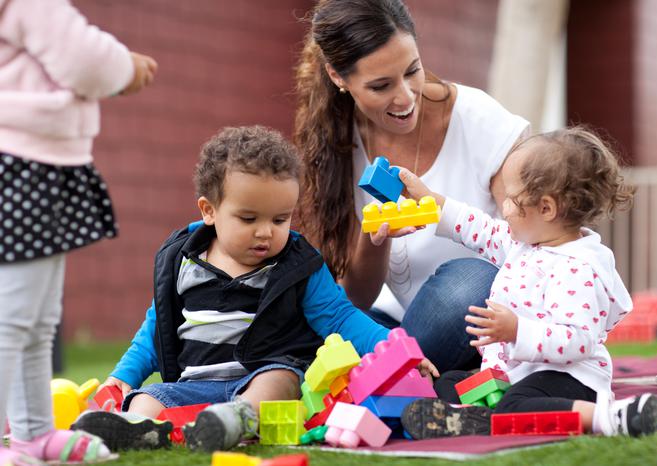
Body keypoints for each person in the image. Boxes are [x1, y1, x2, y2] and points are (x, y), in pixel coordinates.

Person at [72, 126, 438, 452]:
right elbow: (155, 330)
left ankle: (238, 419)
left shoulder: (297, 265)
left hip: (261, 377)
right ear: (209, 211)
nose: (266, 232)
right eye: (249, 219)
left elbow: (340, 318)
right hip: (193, 384)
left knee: (279, 380)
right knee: (147, 399)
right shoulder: (181, 262)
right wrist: (122, 377)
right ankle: (144, 429)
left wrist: (396, 352)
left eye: (281, 219)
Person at [293, 0, 530, 374]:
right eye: (381, 85)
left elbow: (532, 249)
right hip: (394, 322)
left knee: (470, 281)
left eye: (412, 71)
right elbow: (357, 296)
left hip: (482, 315)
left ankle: (387, 376)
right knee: (317, 326)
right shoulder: (337, 143)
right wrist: (377, 239)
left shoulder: (479, 119)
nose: (405, 97)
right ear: (339, 78)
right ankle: (409, 373)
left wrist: (442, 209)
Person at [397, 127, 657, 439]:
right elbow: (480, 229)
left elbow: (577, 340)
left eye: (510, 198)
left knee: (514, 404)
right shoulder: (525, 243)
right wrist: (432, 202)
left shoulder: (577, 268)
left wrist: (516, 330)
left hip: (568, 378)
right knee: (450, 382)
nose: (503, 207)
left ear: (547, 208)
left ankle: (607, 417)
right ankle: (482, 417)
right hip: (517, 375)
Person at [0, 0, 157, 464]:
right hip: (22, 163)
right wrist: (126, 67)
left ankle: (32, 434)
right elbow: (83, 59)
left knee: (37, 319)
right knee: (12, 320)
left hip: (33, 163)